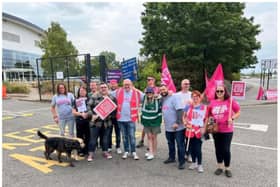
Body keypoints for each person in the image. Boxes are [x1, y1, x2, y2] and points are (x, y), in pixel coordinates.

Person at [207, 85, 241, 177]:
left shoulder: (229, 101)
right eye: (217, 91)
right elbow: (209, 115)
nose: (219, 93)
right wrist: (210, 125)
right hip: (216, 130)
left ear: (225, 92)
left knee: (226, 149)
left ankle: (227, 168)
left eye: (221, 91)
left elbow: (238, 111)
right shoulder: (212, 102)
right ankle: (219, 167)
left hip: (227, 130)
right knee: (218, 149)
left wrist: (232, 118)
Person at [112, 79, 144, 160]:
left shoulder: (136, 92)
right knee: (124, 136)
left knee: (132, 137)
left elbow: (146, 96)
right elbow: (107, 94)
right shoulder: (118, 91)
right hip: (121, 119)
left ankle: (133, 152)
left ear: (131, 84)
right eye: (125, 84)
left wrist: (136, 89)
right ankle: (126, 151)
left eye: (128, 84)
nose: (126, 86)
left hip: (131, 119)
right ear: (123, 85)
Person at [87, 82, 117, 161]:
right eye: (102, 87)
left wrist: (108, 115)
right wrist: (92, 115)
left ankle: (105, 152)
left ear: (108, 88)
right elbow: (88, 106)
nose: (103, 89)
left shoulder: (112, 98)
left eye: (105, 87)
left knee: (105, 139)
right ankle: (90, 154)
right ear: (99, 88)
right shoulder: (94, 96)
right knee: (93, 139)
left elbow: (115, 110)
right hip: (95, 122)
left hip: (107, 123)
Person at [160, 84, 186, 170]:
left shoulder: (174, 97)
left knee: (180, 144)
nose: (163, 91)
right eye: (161, 90)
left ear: (168, 89)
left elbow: (180, 110)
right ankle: (171, 157)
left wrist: (177, 122)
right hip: (168, 127)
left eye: (164, 89)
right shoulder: (162, 99)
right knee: (170, 143)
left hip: (177, 127)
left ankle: (182, 162)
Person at [183, 90, 207, 173]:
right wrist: (186, 123)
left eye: (197, 97)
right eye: (193, 97)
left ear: (200, 98)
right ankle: (194, 162)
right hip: (189, 130)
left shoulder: (203, 107)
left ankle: (200, 164)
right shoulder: (188, 106)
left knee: (198, 149)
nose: (195, 98)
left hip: (198, 131)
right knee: (191, 148)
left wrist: (204, 127)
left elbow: (206, 119)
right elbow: (184, 116)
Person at [137, 76, 160, 148]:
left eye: (150, 79)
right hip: (147, 112)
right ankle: (142, 140)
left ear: (154, 80)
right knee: (145, 127)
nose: (149, 81)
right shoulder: (146, 89)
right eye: (148, 80)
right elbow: (144, 98)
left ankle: (150, 144)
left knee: (152, 129)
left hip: (154, 112)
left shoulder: (157, 89)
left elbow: (161, 95)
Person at [141, 87, 162, 160]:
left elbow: (165, 94)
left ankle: (153, 152)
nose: (149, 94)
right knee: (149, 137)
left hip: (155, 121)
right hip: (147, 122)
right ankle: (150, 151)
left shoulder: (158, 99)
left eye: (150, 93)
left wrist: (158, 95)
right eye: (147, 93)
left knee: (154, 137)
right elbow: (137, 92)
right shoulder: (144, 99)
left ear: (153, 93)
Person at [175, 79, 193, 162]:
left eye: (188, 84)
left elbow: (198, 105)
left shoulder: (192, 94)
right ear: (181, 85)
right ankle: (182, 155)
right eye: (185, 84)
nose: (187, 85)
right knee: (180, 140)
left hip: (190, 121)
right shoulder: (177, 95)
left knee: (189, 139)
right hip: (180, 120)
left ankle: (188, 154)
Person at [72, 85, 90, 157]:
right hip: (79, 120)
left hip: (88, 121)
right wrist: (81, 114)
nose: (82, 92)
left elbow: (92, 109)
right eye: (81, 91)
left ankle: (87, 150)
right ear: (78, 92)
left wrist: (87, 114)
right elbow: (73, 112)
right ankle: (80, 150)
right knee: (80, 136)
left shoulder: (89, 99)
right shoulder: (75, 100)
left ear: (86, 92)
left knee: (88, 136)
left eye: (84, 91)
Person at [108, 79, 122, 154]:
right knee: (109, 132)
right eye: (111, 84)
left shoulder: (120, 91)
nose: (113, 85)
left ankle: (118, 146)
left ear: (117, 84)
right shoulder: (107, 93)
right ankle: (109, 146)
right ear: (110, 85)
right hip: (109, 116)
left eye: (114, 84)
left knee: (118, 132)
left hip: (117, 115)